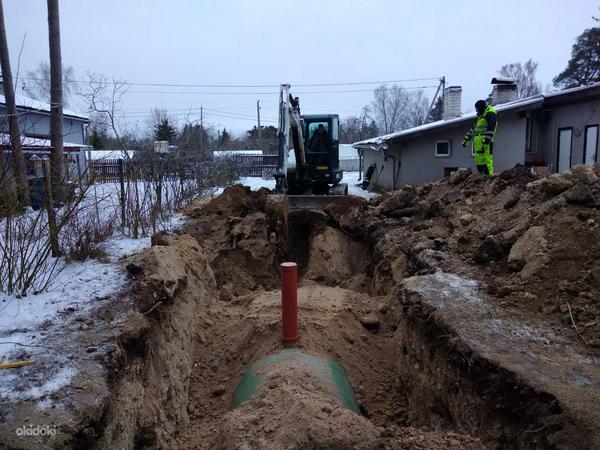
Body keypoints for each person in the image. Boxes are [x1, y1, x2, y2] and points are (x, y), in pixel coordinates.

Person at [462, 100, 497, 175]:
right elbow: (474, 129)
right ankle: (480, 180)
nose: (476, 110)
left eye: (477, 109)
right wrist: (466, 139)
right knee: (479, 162)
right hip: (478, 143)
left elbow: (491, 129)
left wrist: (486, 142)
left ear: (481, 108)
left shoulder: (490, 114)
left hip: (486, 143)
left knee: (487, 161)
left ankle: (489, 179)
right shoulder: (481, 116)